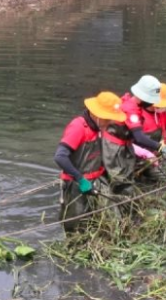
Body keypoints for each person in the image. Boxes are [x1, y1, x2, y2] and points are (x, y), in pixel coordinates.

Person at [54, 92, 126, 232]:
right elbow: (60, 157)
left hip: (97, 180)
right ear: (97, 114)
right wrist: (80, 180)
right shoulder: (78, 127)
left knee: (114, 221)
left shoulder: (99, 126)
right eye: (108, 119)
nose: (111, 122)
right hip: (76, 184)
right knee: (76, 227)